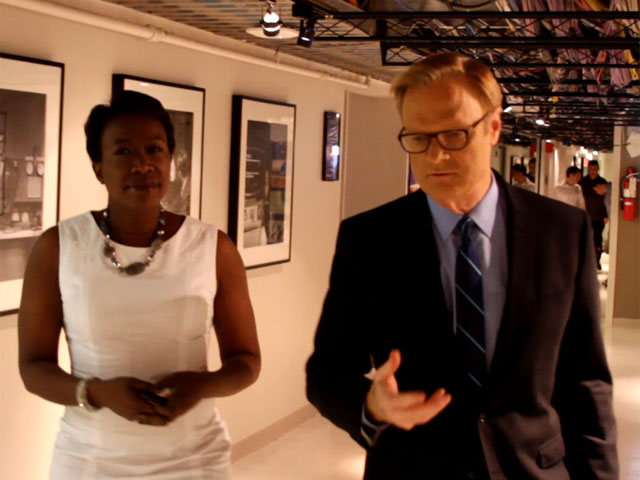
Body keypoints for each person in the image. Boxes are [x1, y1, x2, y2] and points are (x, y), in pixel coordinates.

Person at [306, 52, 617, 480]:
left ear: (493, 128)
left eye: (454, 135)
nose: (435, 156)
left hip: (532, 468)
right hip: (414, 469)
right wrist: (371, 406)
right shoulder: (371, 239)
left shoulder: (561, 231)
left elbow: (585, 379)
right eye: (418, 138)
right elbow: (327, 371)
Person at [18, 91, 261, 479]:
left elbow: (246, 361)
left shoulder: (212, 247)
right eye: (123, 152)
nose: (142, 164)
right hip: (89, 461)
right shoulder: (59, 246)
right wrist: (96, 392)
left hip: (195, 460)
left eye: (154, 149)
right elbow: (34, 367)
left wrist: (201, 385)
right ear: (99, 168)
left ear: (170, 161)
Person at [579, 160, 608, 269]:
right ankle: (585, 261)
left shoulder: (602, 182)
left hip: (599, 215)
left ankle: (596, 261)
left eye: (594, 169)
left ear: (598, 169)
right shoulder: (582, 182)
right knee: (584, 237)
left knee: (597, 238)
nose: (592, 171)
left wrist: (606, 215)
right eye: (591, 169)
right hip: (585, 214)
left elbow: (606, 200)